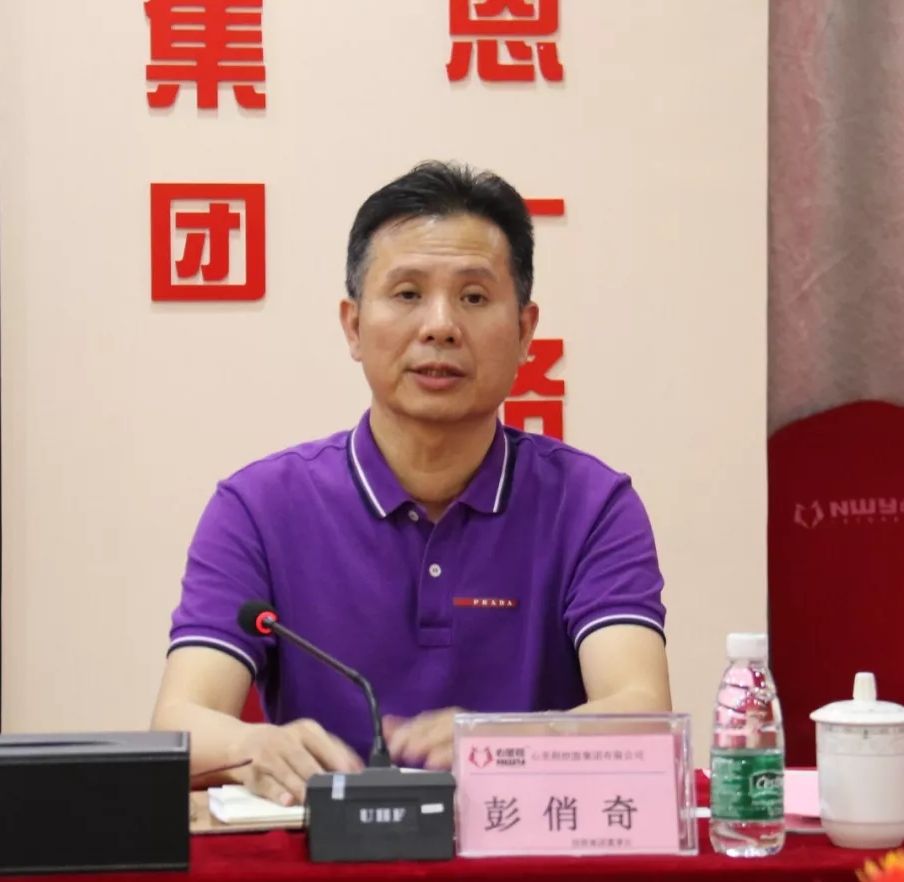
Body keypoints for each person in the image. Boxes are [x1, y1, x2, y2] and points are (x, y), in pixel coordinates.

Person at [150, 161, 671, 807]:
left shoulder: (591, 506)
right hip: (330, 849)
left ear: (525, 331)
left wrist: (499, 744)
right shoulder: (258, 508)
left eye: (474, 297)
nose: (440, 325)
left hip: (524, 846)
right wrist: (252, 747)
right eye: (406, 294)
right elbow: (180, 722)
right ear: (353, 326)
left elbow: (643, 715)